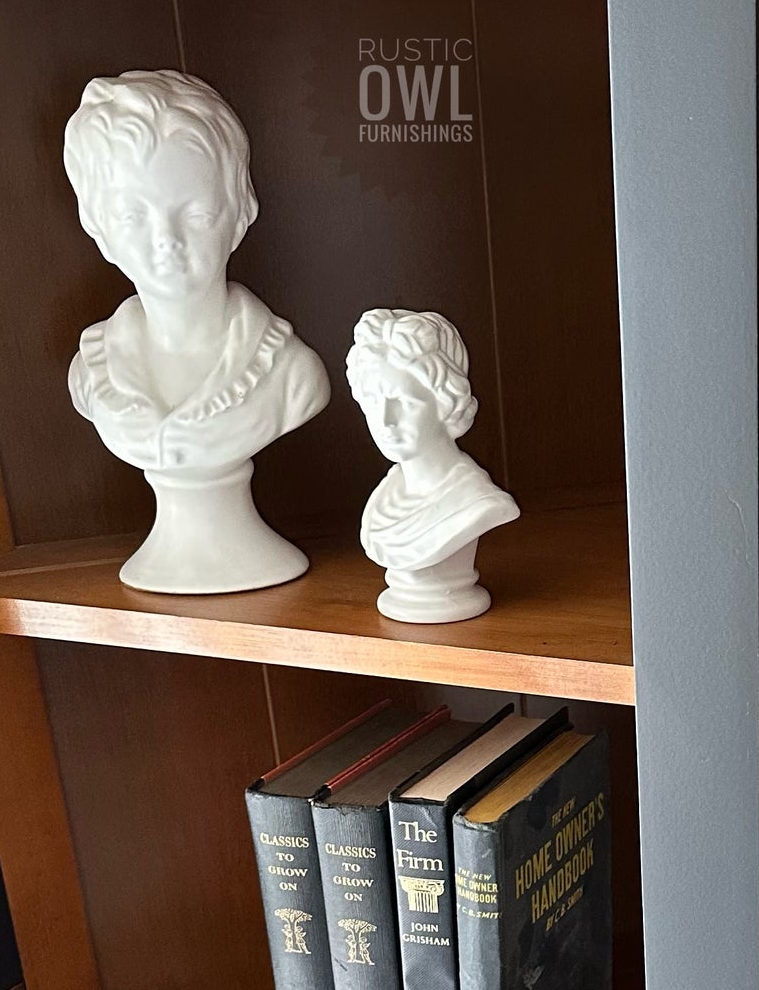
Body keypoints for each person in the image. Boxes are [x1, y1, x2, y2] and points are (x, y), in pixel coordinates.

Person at [64, 70, 328, 592]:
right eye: (133, 216)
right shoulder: (91, 374)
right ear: (97, 228)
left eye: (197, 213)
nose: (167, 239)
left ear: (241, 211)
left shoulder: (292, 375)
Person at [347, 308, 519, 623]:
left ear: (445, 403)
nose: (386, 420)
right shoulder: (387, 494)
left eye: (404, 402)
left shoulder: (478, 502)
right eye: (372, 401)